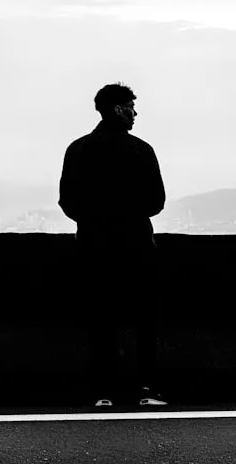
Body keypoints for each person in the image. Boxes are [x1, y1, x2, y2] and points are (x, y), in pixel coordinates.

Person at [58, 83, 168, 409]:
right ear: (119, 109)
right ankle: (147, 387)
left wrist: (96, 220)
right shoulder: (141, 150)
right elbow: (156, 202)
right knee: (144, 321)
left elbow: (68, 202)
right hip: (136, 245)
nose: (135, 113)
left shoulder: (78, 150)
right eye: (132, 107)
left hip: (94, 246)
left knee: (101, 321)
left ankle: (102, 390)